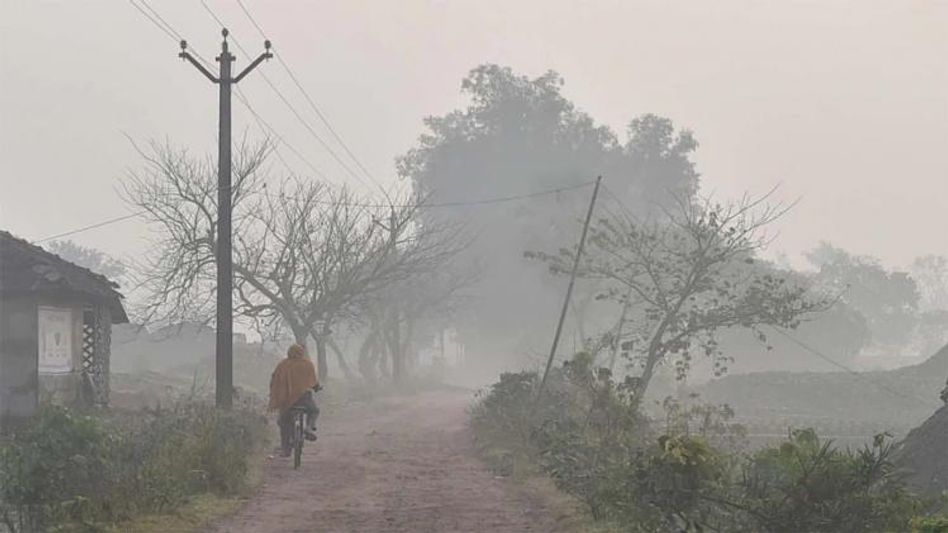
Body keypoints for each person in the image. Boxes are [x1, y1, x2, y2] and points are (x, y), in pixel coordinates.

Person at [269, 343, 321, 457]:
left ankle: (286, 450)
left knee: (283, 422)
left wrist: (275, 394)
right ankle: (308, 428)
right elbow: (313, 382)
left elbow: (274, 380)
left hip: (287, 402)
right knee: (314, 411)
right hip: (304, 399)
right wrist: (317, 387)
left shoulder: (282, 365)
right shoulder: (308, 364)